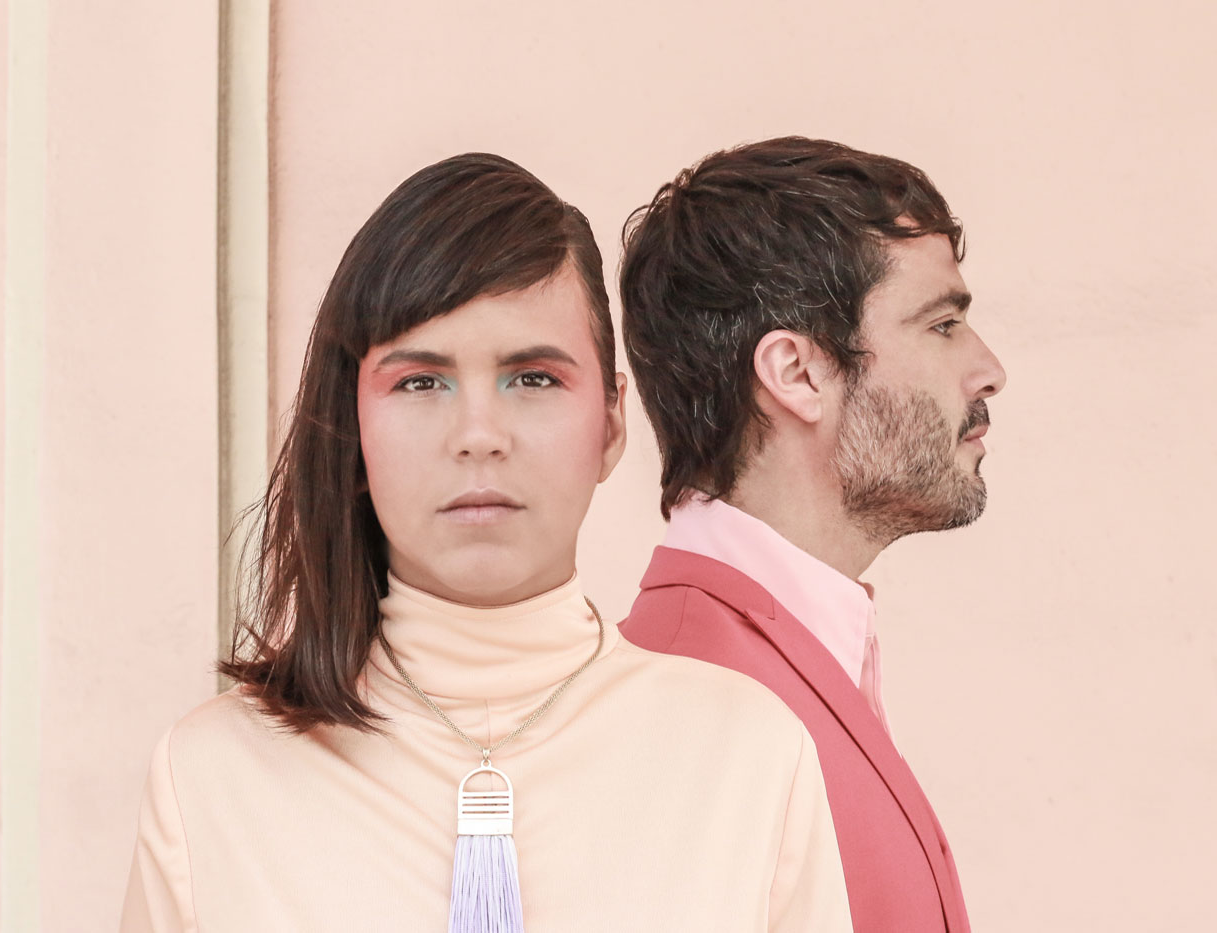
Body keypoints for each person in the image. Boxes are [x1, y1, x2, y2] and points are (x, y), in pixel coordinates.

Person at [120, 152, 852, 932]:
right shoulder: (211, 778)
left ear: (611, 423)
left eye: (532, 378)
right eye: (420, 381)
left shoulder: (750, 756)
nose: (478, 434)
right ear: (352, 431)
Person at [619, 137, 1006, 933]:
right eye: (941, 324)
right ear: (797, 374)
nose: (988, 369)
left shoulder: (782, 657)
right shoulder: (689, 712)